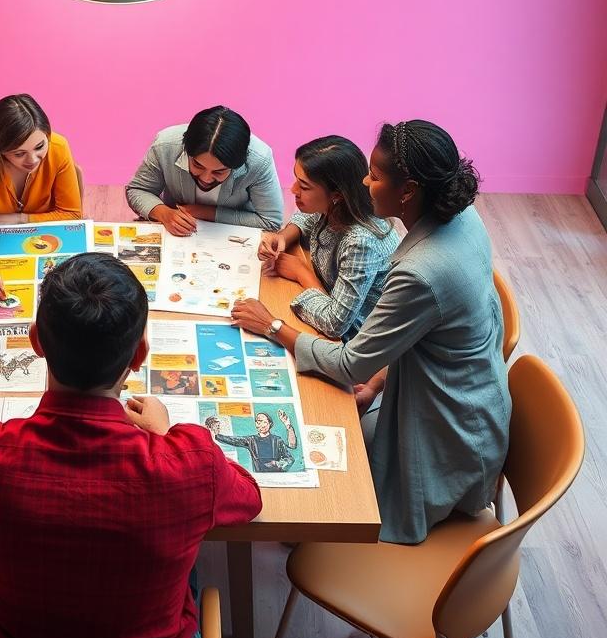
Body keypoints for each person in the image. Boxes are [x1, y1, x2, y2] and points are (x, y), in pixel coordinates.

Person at [0, 252, 262, 638]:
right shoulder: (192, 464)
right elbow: (249, 498)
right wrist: (164, 433)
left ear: (35, 342)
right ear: (139, 356)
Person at [231, 119, 510, 544]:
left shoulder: (420, 271)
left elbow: (348, 362)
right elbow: (424, 333)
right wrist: (380, 379)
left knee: (315, 497)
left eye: (375, 176)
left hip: (449, 436)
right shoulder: (462, 218)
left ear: (409, 190)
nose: (365, 181)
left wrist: (272, 325)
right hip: (473, 399)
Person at [258, 136, 400, 340]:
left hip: (358, 339)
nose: (293, 190)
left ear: (337, 194)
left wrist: (301, 272)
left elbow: (336, 324)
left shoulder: (361, 241)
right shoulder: (337, 207)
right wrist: (282, 237)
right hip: (329, 300)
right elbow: (308, 217)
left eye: (304, 186)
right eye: (296, 179)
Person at [0, 94, 82, 300]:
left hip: (45, 247)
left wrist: (21, 219)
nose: (32, 160)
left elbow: (72, 215)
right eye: (19, 153)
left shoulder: (58, 147)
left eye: (40, 147)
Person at [125, 106, 283, 235]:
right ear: (186, 151)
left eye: (219, 172)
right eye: (198, 165)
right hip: (175, 235)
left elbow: (271, 221)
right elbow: (137, 190)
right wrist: (163, 213)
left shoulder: (259, 160)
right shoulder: (165, 145)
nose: (206, 178)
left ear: (238, 165)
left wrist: (204, 212)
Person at [209, 411, 298, 472]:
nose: (261, 425)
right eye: (258, 422)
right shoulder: (251, 440)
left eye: (264, 422)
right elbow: (233, 440)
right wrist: (216, 435)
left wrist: (277, 464)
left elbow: (291, 450)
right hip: (260, 477)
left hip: (278, 477)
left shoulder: (277, 440)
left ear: (270, 424)